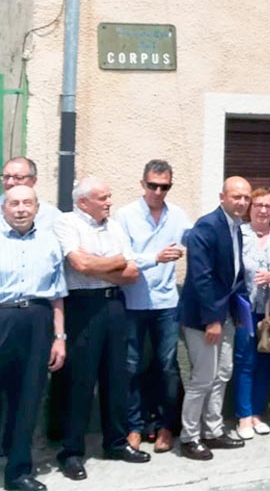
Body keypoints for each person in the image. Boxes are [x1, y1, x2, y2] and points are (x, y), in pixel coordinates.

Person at [55, 176, 149, 479]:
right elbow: (78, 266)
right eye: (103, 197)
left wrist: (105, 264)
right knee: (79, 380)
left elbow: (132, 271)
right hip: (82, 306)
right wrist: (114, 262)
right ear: (84, 202)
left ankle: (116, 442)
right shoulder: (67, 223)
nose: (109, 202)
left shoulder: (115, 226)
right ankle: (71, 451)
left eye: (109, 196)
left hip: (114, 305)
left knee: (116, 376)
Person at [113, 159, 191, 453]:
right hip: (133, 300)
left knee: (167, 366)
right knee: (132, 366)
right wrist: (154, 258)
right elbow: (122, 256)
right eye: (153, 185)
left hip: (167, 301)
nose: (158, 192)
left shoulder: (178, 216)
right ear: (142, 184)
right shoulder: (125, 215)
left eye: (164, 186)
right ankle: (134, 426)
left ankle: (165, 427)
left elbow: (193, 241)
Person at [178, 176, 251, 461]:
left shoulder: (236, 228)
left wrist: (238, 312)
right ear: (222, 197)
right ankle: (189, 437)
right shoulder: (207, 226)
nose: (242, 202)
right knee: (202, 378)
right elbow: (201, 278)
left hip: (226, 315)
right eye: (236, 196)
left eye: (246, 197)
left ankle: (213, 429)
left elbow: (234, 275)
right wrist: (212, 319)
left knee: (222, 374)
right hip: (204, 318)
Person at [0, 186, 67, 491]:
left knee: (28, 399)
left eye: (27, 203)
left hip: (38, 321)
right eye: (14, 203)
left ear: (37, 208)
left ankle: (18, 473)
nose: (21, 209)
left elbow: (57, 297)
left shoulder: (49, 242)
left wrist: (59, 337)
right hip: (3, 317)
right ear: (4, 208)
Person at [234, 187, 270, 439]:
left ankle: (258, 413)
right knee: (245, 362)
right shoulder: (239, 232)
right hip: (245, 310)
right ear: (250, 207)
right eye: (258, 204)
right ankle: (243, 417)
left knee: (265, 363)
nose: (263, 209)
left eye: (268, 206)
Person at [0, 157, 61, 231]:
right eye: (6, 177)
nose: (10, 182)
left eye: (18, 177)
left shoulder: (52, 217)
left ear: (33, 181)